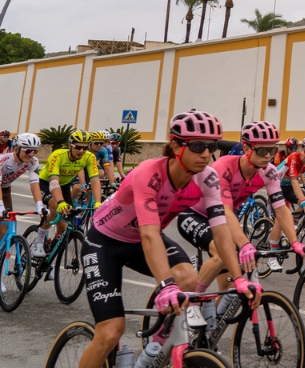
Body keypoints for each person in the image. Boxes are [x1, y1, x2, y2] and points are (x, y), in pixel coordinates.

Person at [77, 110, 261, 368]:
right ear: (175, 145)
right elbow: (149, 234)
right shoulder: (149, 172)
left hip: (140, 240)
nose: (206, 154)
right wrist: (166, 284)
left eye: (211, 146)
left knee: (188, 279)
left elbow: (220, 231)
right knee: (110, 332)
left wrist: (239, 278)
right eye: (197, 146)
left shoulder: (207, 177)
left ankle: (161, 346)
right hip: (105, 242)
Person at [178, 121, 305, 330]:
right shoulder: (223, 167)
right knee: (224, 252)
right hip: (195, 214)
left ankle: (203, 334)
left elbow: (280, 209)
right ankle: (192, 300)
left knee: (229, 287)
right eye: (263, 150)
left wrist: (295, 242)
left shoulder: (267, 172)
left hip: (222, 220)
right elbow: (225, 211)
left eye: (272, 149)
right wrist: (245, 244)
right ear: (247, 148)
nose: (268, 155)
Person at [33, 129, 103, 258]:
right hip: (45, 182)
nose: (81, 151)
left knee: (65, 224)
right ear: (70, 145)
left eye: (85, 148)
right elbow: (53, 182)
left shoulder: (90, 157)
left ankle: (52, 248)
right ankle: (38, 241)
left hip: (64, 185)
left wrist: (98, 202)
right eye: (78, 147)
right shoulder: (58, 155)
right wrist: (60, 202)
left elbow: (95, 180)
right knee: (54, 207)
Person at [0, 133, 46, 220]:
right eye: (28, 151)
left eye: (34, 151)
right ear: (16, 148)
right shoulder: (3, 160)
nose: (31, 154)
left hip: (5, 188)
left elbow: (35, 184)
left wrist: (40, 206)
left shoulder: (33, 162)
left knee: (8, 222)